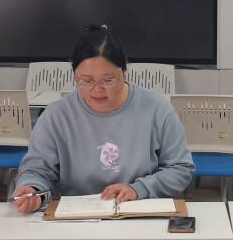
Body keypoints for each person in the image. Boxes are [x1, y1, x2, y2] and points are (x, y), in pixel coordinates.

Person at [12, 26, 194, 212]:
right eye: (86, 81)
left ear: (124, 71)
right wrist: (33, 189)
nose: (98, 90)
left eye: (108, 80)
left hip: (138, 210)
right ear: (75, 76)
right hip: (76, 217)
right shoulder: (56, 116)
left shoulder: (157, 109)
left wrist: (139, 189)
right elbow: (36, 170)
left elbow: (180, 168)